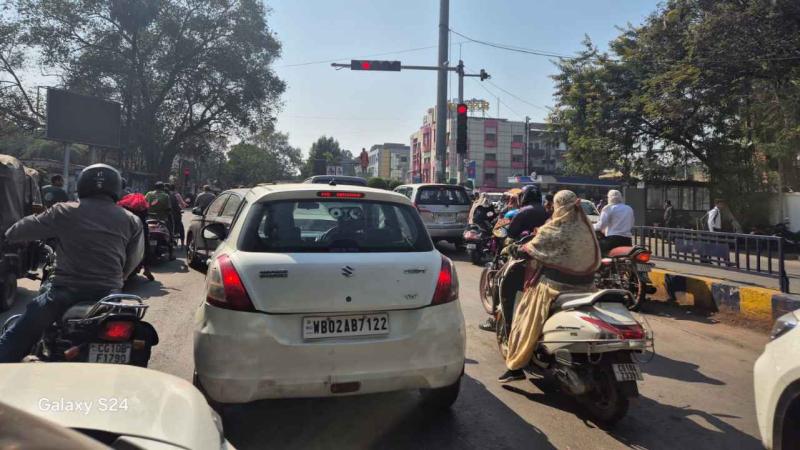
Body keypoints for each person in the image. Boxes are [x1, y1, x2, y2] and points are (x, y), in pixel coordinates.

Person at [0, 164, 143, 362]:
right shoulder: (131, 219)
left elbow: (18, 231)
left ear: (82, 185)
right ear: (116, 188)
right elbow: (134, 258)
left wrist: (9, 235)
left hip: (64, 292)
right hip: (109, 294)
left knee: (19, 334)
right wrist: (119, 278)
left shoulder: (63, 211)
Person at [499, 190, 601, 382]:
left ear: (557, 205)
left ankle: (516, 366)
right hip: (587, 286)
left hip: (555, 286)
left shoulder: (554, 227)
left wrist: (516, 249)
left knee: (524, 317)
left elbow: (532, 248)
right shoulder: (586, 228)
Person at [118, 179, 155, 281]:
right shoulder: (136, 197)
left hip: (121, 226)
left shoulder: (113, 197)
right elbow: (145, 211)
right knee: (145, 244)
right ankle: (147, 269)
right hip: (139, 225)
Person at [594, 189, 635, 254]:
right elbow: (631, 224)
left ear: (609, 198)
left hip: (613, 240)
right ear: (621, 197)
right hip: (627, 241)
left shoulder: (608, 208)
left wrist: (591, 226)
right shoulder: (629, 208)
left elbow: (601, 226)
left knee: (595, 248)